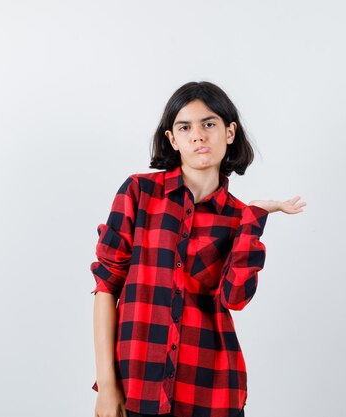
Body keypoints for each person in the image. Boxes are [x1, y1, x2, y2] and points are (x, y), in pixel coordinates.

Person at [90, 81, 306, 417]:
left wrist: (254, 218)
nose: (198, 135)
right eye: (185, 127)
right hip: (138, 385)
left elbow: (234, 299)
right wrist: (107, 385)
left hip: (211, 390)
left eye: (209, 124)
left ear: (229, 132)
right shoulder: (139, 193)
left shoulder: (238, 218)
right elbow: (106, 287)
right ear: (172, 140)